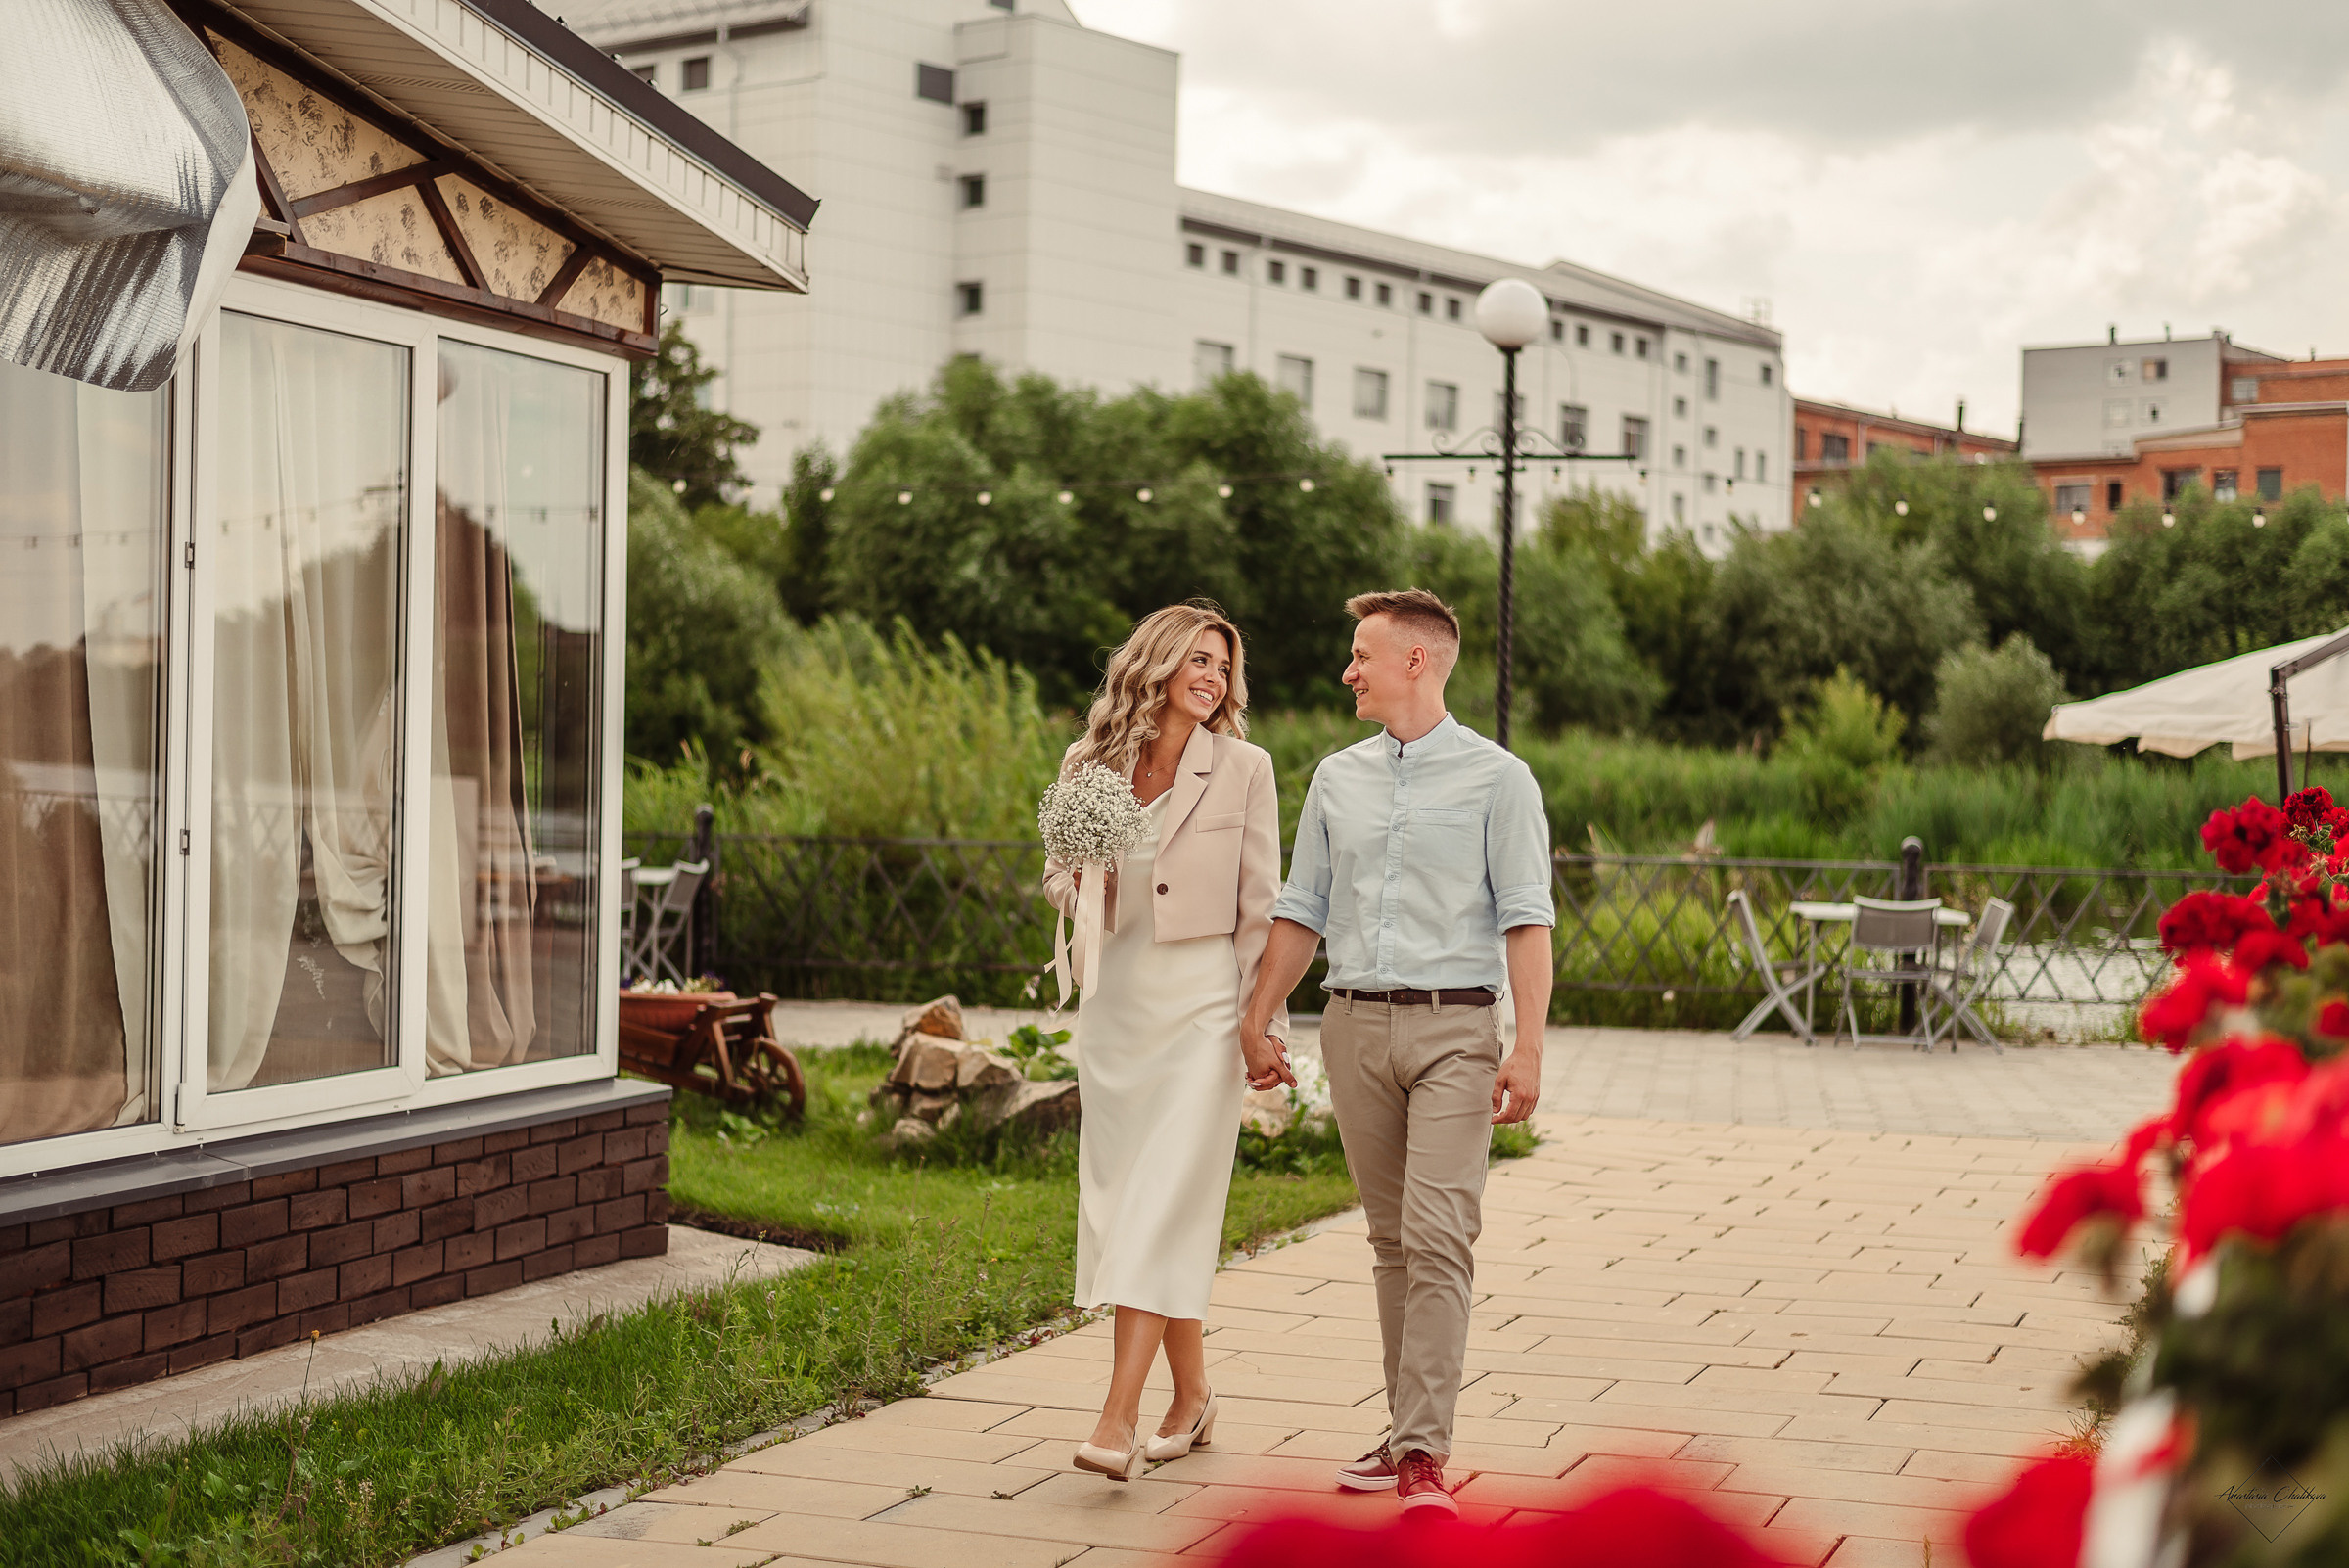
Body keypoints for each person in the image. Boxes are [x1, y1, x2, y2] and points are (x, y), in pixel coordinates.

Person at [1238, 588, 1554, 1519]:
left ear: (1417, 660)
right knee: (1390, 1243)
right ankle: (1403, 1428)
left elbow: (1527, 918)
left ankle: (1423, 1454)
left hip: (1458, 1031)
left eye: (1361, 654)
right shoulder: (1338, 778)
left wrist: (1526, 1048)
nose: (1348, 670)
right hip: (1354, 1026)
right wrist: (1260, 1016)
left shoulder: (1501, 780)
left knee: (1438, 1235)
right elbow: (1302, 909)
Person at [1041, 601, 1289, 1482]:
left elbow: (1262, 908)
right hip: (1118, 1011)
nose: (1213, 677)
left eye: (1223, 666)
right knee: (1144, 1204)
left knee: (1153, 1203)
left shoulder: (1246, 769)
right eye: (1198, 659)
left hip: (1201, 1013)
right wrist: (1081, 881)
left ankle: (1117, 1419)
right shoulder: (1091, 760)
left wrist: (1263, 1026)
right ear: (1156, 663)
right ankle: (1194, 1396)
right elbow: (1059, 880)